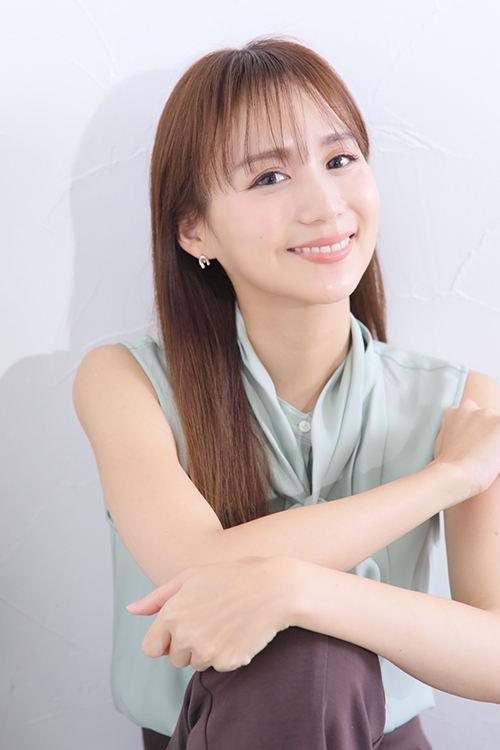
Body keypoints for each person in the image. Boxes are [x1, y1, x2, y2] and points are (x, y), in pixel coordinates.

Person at [73, 37, 500, 750]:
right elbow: (196, 570)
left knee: (316, 658)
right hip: (208, 734)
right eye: (269, 177)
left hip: (381, 736)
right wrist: (443, 480)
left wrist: (301, 591)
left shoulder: (459, 402)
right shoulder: (125, 381)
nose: (325, 205)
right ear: (194, 229)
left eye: (340, 160)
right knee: (301, 665)